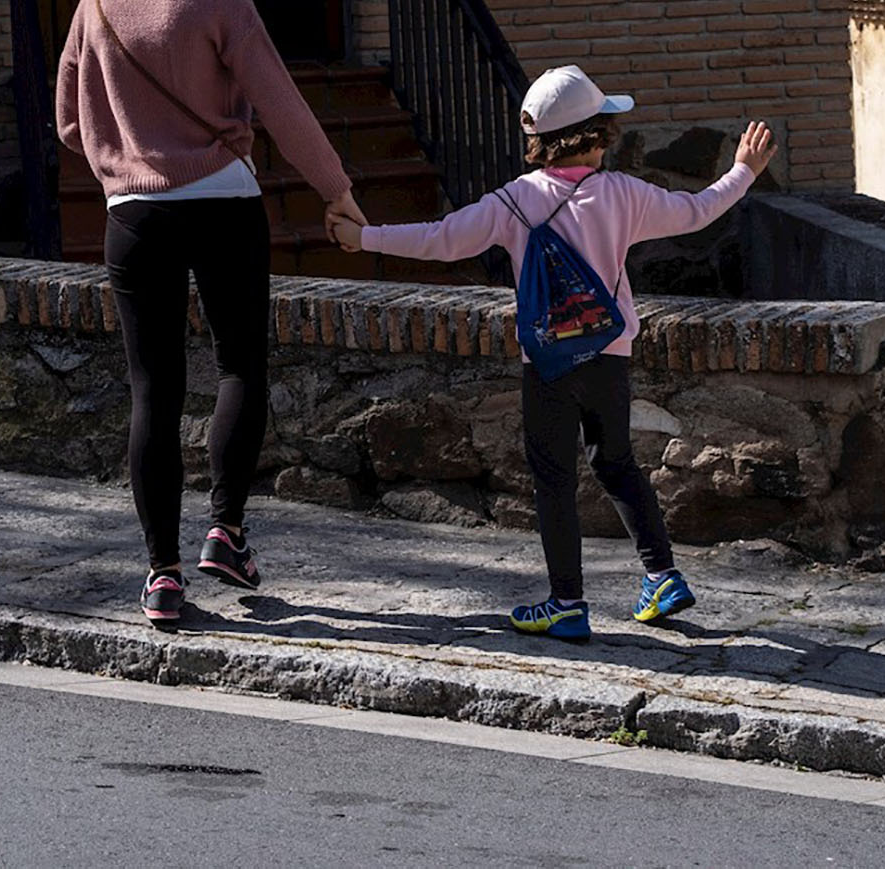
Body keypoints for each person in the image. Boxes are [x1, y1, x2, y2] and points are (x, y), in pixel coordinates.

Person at [329, 66, 776, 641]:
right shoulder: (623, 194)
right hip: (610, 351)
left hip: (547, 362)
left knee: (553, 478)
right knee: (616, 462)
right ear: (596, 133)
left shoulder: (514, 202)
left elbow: (440, 239)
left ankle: (566, 601)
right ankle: (662, 574)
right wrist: (744, 170)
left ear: (539, 139)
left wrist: (363, 238)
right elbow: (697, 211)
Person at [55, 0, 367, 625]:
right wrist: (338, 190)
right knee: (239, 367)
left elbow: (66, 121)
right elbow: (284, 105)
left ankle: (162, 573)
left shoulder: (93, 6)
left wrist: (123, 155)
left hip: (133, 216)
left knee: (152, 389)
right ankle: (226, 530)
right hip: (224, 202)